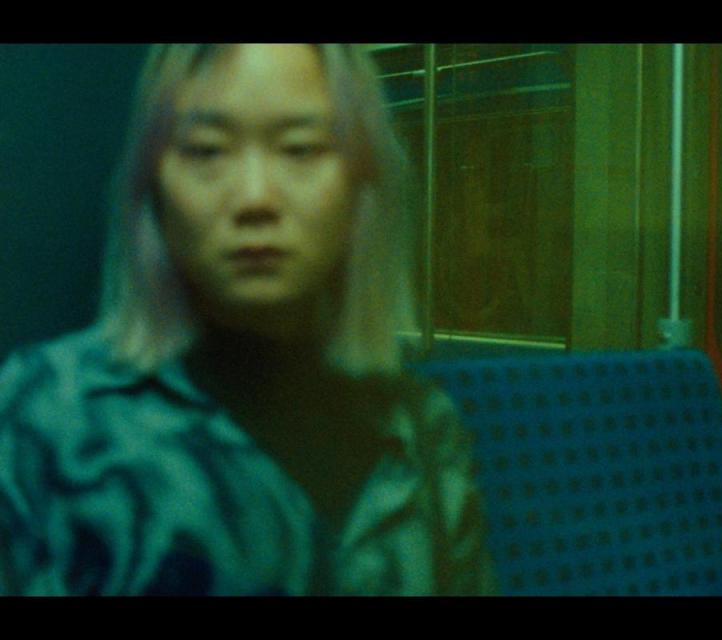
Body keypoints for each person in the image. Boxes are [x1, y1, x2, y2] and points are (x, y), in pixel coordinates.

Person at [0, 43, 498, 595]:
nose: (256, 198)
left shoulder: (422, 432)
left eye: (300, 149)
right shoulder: (46, 416)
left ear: (361, 185)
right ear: (152, 186)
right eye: (207, 151)